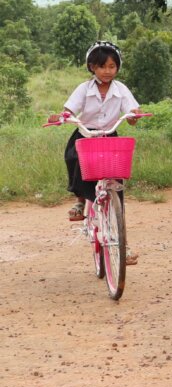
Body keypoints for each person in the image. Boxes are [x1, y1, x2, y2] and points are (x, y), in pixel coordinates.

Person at [50, 41, 142, 262]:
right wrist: (61, 117)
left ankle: (123, 245)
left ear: (118, 67)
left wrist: (134, 116)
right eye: (102, 66)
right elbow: (69, 110)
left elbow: (132, 115)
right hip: (86, 134)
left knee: (116, 183)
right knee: (73, 158)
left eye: (112, 66)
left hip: (109, 135)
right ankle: (81, 200)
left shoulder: (121, 90)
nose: (108, 71)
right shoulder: (84, 88)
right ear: (92, 67)